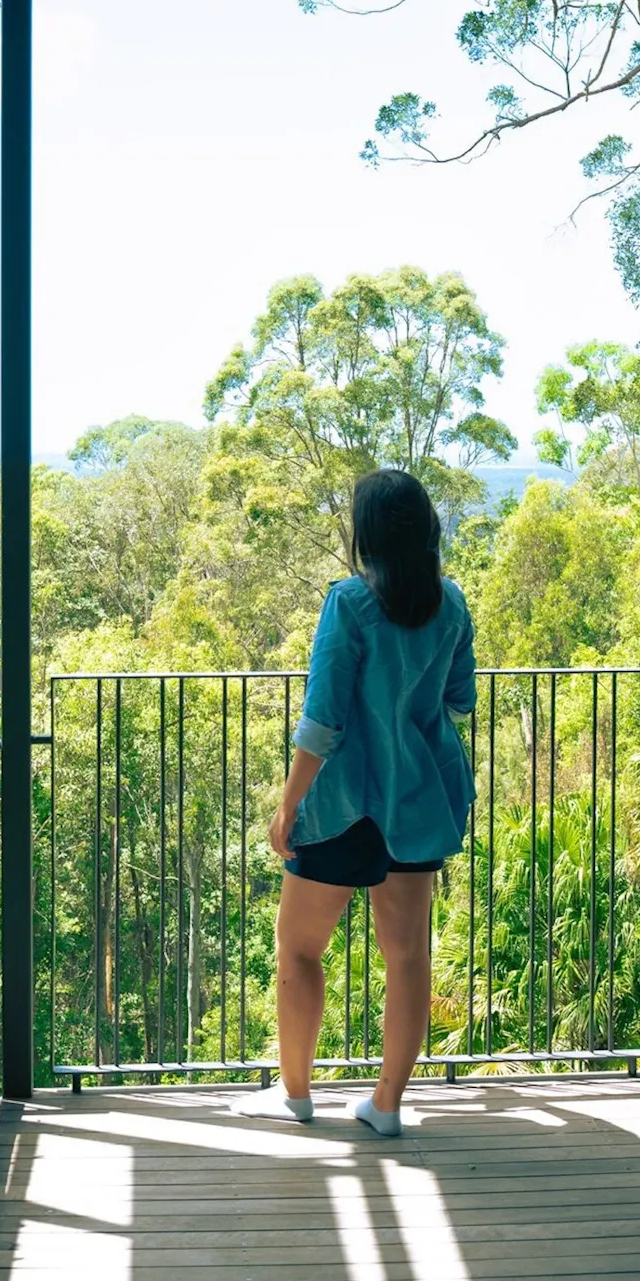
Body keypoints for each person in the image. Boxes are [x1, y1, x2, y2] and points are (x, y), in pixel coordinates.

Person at [231, 468, 477, 1136]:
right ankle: (387, 1107)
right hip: (419, 800)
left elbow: (322, 720)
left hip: (344, 807)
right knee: (407, 956)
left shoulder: (349, 603)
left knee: (299, 950)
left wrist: (288, 806)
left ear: (366, 535)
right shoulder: (451, 604)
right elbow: (460, 699)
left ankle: (297, 1096)